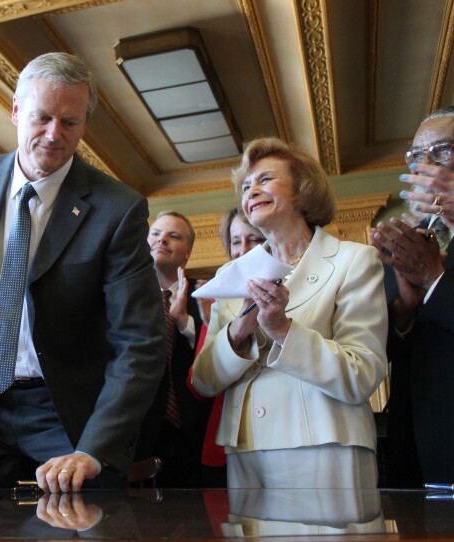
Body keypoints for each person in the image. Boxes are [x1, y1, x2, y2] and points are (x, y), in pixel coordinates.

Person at [0, 52, 165, 493]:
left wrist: (94, 448)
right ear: (14, 110)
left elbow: (139, 343)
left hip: (67, 415)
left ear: (85, 125)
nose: (54, 134)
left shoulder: (118, 209)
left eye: (70, 122)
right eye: (42, 117)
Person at [191, 137, 388, 489]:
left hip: (325, 451)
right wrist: (237, 334)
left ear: (302, 190)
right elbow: (204, 381)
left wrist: (282, 328)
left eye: (265, 179)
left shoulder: (353, 261)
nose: (251, 190)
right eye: (246, 185)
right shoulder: (230, 277)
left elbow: (362, 375)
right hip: (246, 456)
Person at [370, 106, 454, 484]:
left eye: (443, 150)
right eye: (417, 155)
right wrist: (404, 309)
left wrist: (434, 278)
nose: (426, 164)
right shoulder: (410, 238)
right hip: (415, 440)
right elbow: (391, 352)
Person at [187, 207, 266, 488]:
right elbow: (200, 381)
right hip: (234, 443)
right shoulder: (224, 294)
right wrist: (238, 331)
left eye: (254, 239)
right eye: (235, 241)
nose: (242, 250)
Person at [134, 210, 210, 488]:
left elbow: (216, 358)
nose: (162, 239)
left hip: (194, 435)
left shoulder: (206, 299)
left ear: (187, 252)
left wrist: (186, 324)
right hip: (137, 435)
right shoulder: (124, 297)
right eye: (156, 233)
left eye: (173, 236)